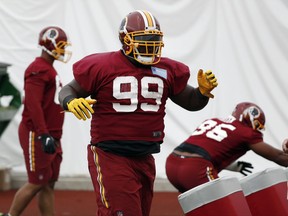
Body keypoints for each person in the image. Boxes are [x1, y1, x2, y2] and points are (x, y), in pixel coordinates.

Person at [58, 10, 218, 216]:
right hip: (111, 154)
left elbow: (190, 102)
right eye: (144, 39)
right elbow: (67, 90)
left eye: (154, 39)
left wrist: (202, 93)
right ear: (126, 40)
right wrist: (70, 102)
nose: (150, 44)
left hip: (145, 157)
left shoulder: (166, 69)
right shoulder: (102, 66)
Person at [4, 26, 72, 216]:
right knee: (38, 181)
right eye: (60, 45)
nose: (63, 49)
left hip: (51, 134)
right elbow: (33, 105)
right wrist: (43, 134)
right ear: (49, 44)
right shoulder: (38, 69)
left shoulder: (48, 69)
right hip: (38, 134)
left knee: (48, 183)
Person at [165, 101, 288, 193]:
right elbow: (279, 157)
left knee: (200, 207)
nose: (256, 129)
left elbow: (205, 149)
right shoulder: (246, 132)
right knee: (224, 205)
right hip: (195, 169)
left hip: (172, 163)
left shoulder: (213, 121)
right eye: (257, 124)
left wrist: (234, 166)